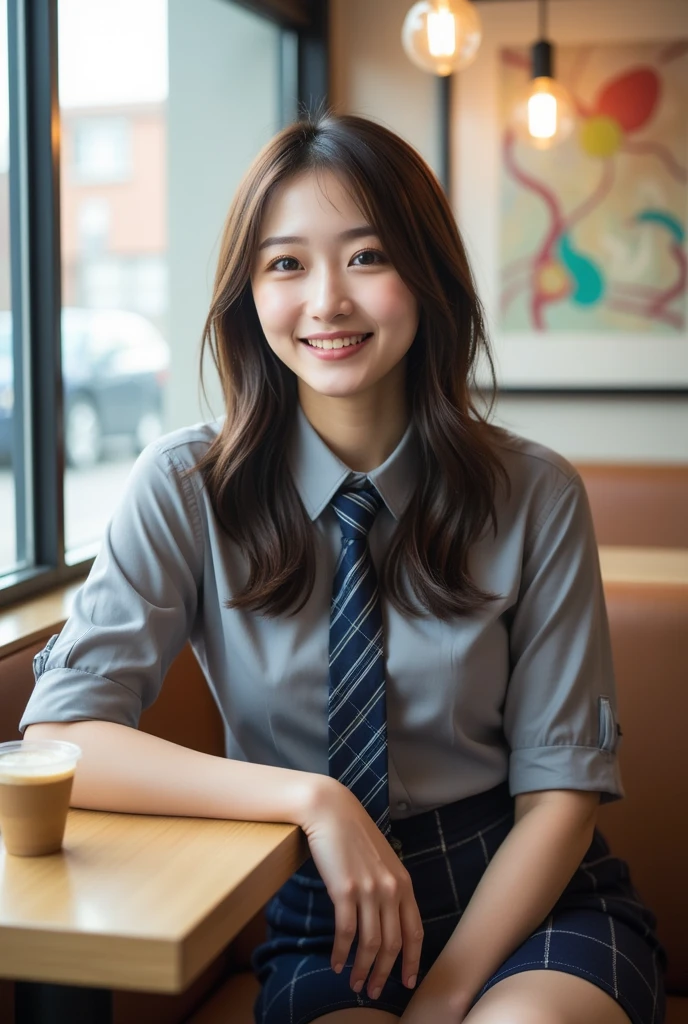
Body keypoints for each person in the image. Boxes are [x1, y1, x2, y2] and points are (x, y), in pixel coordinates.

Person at [21, 113, 666, 1024]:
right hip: (324, 907)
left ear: (428, 276)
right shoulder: (185, 486)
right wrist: (311, 799)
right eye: (286, 264)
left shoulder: (535, 492)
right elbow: (65, 733)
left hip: (529, 899)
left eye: (367, 256)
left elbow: (561, 795)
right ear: (249, 293)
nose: (327, 301)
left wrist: (446, 998)